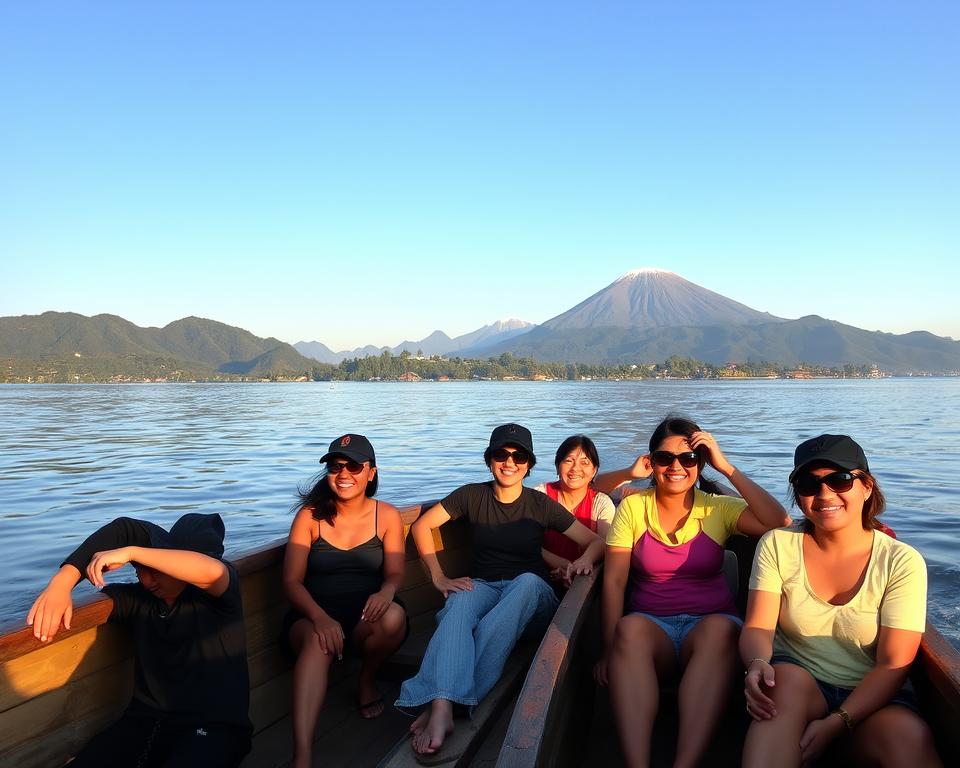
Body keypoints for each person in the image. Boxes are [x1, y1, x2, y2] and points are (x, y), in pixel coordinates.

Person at [395, 423, 604, 760]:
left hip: (532, 597)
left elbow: (595, 542)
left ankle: (446, 699)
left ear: (529, 464)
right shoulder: (471, 495)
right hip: (485, 587)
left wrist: (581, 563)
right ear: (489, 460)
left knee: (524, 584)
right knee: (459, 603)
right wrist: (437, 577)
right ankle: (444, 704)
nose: (509, 462)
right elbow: (422, 525)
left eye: (518, 456)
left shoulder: (540, 504)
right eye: (501, 455)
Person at [595, 416, 790, 768]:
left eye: (688, 459)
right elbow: (614, 583)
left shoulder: (715, 507)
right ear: (652, 462)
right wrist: (607, 649)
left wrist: (727, 467)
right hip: (652, 628)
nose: (676, 467)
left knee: (722, 630)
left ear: (700, 464)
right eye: (665, 458)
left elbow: (779, 522)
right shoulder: (634, 507)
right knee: (629, 630)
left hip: (709, 629)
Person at [741, 434, 942, 768]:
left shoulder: (901, 561)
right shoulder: (778, 545)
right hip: (801, 686)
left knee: (907, 737)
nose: (824, 494)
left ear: (866, 487)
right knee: (781, 686)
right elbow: (758, 625)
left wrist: (837, 722)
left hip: (875, 699)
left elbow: (893, 664)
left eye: (840, 480)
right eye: (809, 483)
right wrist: (757, 663)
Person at [26, 513, 252, 767]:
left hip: (215, 727)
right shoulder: (137, 600)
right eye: (139, 571)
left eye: (155, 569)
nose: (146, 580)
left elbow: (211, 571)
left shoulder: (220, 598)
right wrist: (62, 582)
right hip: (147, 721)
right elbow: (125, 527)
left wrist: (133, 553)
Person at [282, 433, 407, 768]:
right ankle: (303, 756)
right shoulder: (310, 517)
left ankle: (366, 680)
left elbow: (395, 574)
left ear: (371, 472)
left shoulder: (388, 516)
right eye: (336, 467)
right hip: (313, 613)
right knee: (315, 640)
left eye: (354, 466)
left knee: (393, 618)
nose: (344, 474)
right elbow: (291, 582)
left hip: (366, 613)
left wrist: (385, 591)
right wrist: (320, 618)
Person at [535, 434, 615, 583]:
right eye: (568, 461)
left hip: (584, 582)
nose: (575, 468)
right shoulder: (541, 496)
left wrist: (582, 563)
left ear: (594, 471)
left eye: (584, 462)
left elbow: (606, 546)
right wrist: (564, 565)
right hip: (542, 578)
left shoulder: (601, 503)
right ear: (558, 467)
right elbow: (529, 545)